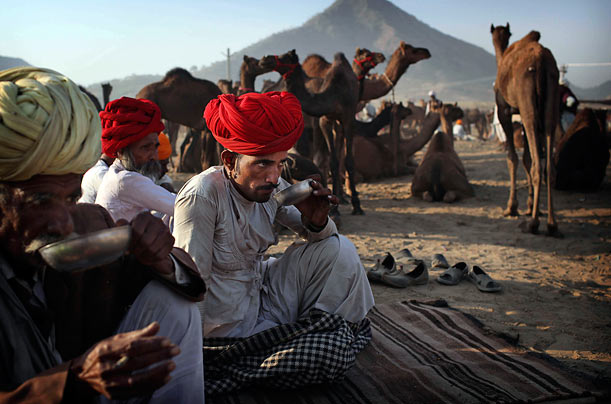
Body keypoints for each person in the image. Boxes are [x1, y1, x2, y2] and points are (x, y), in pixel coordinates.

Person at [0, 67, 206, 403]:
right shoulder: (126, 182)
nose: (63, 222)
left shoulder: (87, 225)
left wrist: (161, 259)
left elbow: (192, 283)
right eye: (40, 200)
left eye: (69, 198)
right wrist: (75, 380)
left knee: (174, 304)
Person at [173, 91, 375, 338]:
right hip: (223, 327)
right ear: (229, 161)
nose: (275, 176)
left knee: (340, 248)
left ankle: (327, 333)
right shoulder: (202, 197)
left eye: (280, 163)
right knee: (318, 356)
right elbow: (191, 283)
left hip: (261, 301)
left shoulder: (272, 188)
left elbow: (324, 242)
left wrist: (317, 221)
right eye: (263, 163)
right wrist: (196, 356)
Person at [95, 97, 176, 222]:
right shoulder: (125, 180)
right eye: (145, 148)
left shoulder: (116, 174)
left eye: (155, 147)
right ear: (121, 151)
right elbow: (179, 206)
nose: (154, 156)